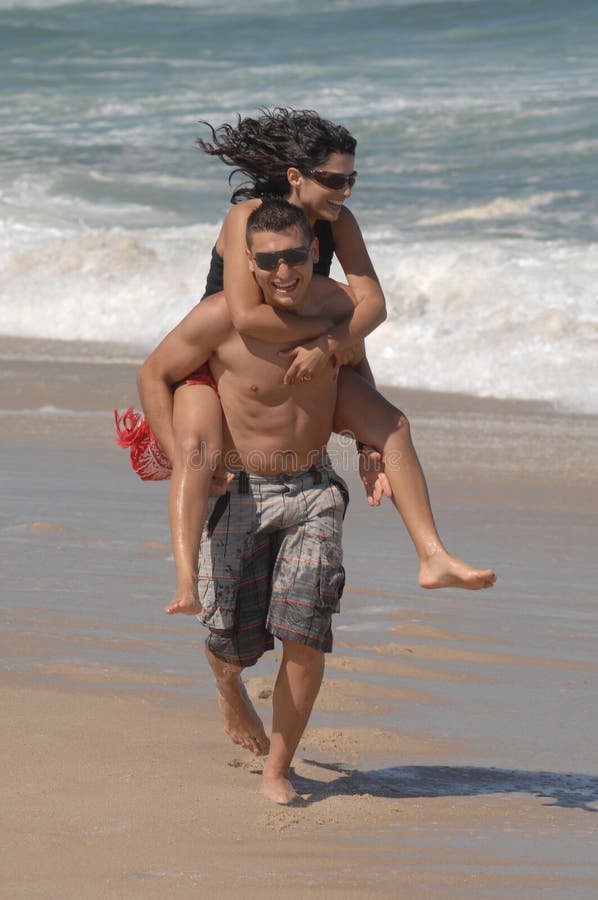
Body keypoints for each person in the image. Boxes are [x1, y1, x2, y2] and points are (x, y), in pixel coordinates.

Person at [137, 200, 496, 804]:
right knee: (231, 643)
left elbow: (361, 377)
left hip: (311, 492)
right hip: (241, 493)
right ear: (247, 261)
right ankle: (228, 686)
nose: (284, 273)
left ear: (313, 252)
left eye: (296, 257)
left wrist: (369, 447)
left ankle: (279, 768)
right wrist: (176, 451)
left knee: (306, 632)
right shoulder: (219, 317)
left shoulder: (335, 309)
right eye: (269, 261)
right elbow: (152, 374)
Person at [162, 108, 492, 616]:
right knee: (195, 449)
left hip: (303, 352)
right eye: (334, 180)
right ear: (296, 177)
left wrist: (356, 414)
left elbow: (373, 306)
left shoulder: (338, 222)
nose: (345, 191)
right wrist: (329, 339)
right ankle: (185, 582)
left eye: (352, 180)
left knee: (391, 425)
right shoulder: (249, 218)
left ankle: (433, 556)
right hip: (223, 356)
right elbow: (247, 318)